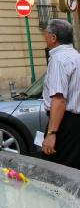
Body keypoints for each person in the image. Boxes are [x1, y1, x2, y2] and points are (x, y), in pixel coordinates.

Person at [41, 18, 80, 168]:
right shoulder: (76, 56)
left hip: (64, 124)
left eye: (46, 33)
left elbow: (59, 99)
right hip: (75, 123)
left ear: (53, 37)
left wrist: (51, 134)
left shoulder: (58, 60)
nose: (44, 37)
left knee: (55, 171)